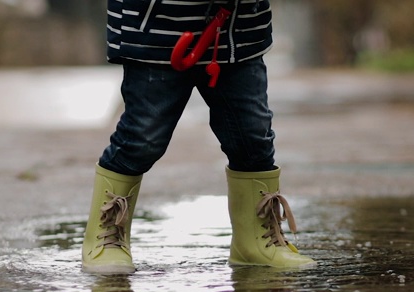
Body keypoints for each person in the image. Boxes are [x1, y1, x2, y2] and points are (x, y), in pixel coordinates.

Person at [81, 0, 315, 274]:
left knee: (252, 136)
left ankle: (255, 244)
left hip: (239, 32)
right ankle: (105, 239)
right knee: (143, 136)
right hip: (156, 31)